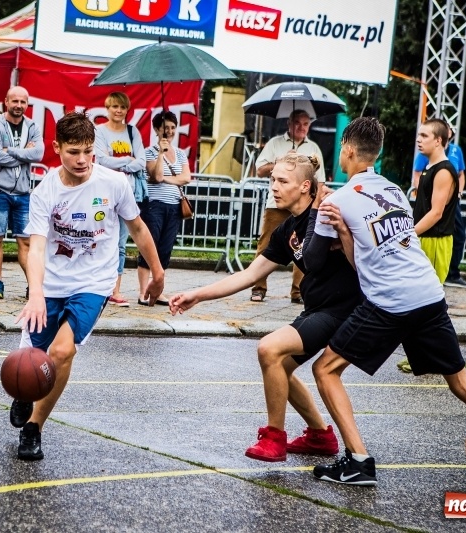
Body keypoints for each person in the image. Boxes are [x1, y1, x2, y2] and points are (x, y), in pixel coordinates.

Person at [302, 117, 466, 487]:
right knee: (462, 384)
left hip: (391, 300)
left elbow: (315, 264)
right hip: (429, 293)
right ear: (377, 154)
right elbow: (373, 254)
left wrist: (328, 222)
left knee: (325, 370)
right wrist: (348, 236)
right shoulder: (396, 192)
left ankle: (359, 461)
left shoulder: (336, 201)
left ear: (347, 150)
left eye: (341, 150)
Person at [170, 152, 359, 462]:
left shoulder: (328, 212)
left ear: (304, 186)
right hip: (317, 309)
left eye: (282, 181)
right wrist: (198, 295)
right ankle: (320, 436)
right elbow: (250, 275)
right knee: (281, 368)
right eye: (272, 180)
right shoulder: (286, 230)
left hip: (344, 310)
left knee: (269, 350)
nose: (273, 186)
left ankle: (274, 438)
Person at [10, 111, 165, 461]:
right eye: (73, 152)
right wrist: (35, 294)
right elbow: (36, 246)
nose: (82, 160)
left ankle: (34, 428)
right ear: (56, 148)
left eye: (88, 151)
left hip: (94, 283)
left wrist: (158, 273)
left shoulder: (114, 184)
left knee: (62, 353)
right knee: (32, 359)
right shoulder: (45, 189)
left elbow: (138, 229)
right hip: (51, 282)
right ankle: (25, 389)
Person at [250, 109, 325, 304]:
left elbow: (321, 181)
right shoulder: (275, 143)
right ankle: (258, 287)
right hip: (276, 205)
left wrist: (316, 207)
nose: (302, 127)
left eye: (306, 124)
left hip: (304, 207)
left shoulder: (314, 148)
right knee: (266, 243)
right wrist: (282, 161)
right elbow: (259, 169)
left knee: (304, 247)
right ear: (289, 124)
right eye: (298, 123)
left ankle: (298, 291)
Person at [0, 86, 44, 300]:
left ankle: (33, 286)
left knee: (26, 241)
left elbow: (39, 153)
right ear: (6, 101)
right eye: (15, 101)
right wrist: (25, 154)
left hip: (23, 193)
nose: (19, 105)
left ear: (27, 104)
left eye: (23, 102)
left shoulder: (32, 126)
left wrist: (13, 151)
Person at [93, 91, 147, 307]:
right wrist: (127, 161)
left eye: (122, 107)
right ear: (107, 108)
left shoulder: (133, 132)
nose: (118, 111)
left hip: (129, 192)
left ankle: (115, 290)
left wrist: (119, 163)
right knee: (101, 238)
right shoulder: (100, 132)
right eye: (114, 106)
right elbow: (102, 160)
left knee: (121, 244)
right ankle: (99, 285)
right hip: (105, 192)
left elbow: (141, 161)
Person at [138, 111, 191, 305]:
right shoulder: (149, 152)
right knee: (149, 246)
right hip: (155, 205)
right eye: (164, 128)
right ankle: (143, 291)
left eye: (172, 128)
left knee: (165, 249)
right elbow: (157, 175)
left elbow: (186, 178)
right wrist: (161, 153)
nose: (169, 132)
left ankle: (157, 289)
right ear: (156, 130)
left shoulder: (180, 153)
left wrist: (167, 180)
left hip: (174, 206)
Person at [412, 122, 466, 288]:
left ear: (438, 140)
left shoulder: (443, 171)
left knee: (427, 297)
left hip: (435, 240)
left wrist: (408, 234)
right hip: (425, 237)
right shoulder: (430, 167)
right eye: (419, 135)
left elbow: (436, 212)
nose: (418, 140)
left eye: (424, 136)